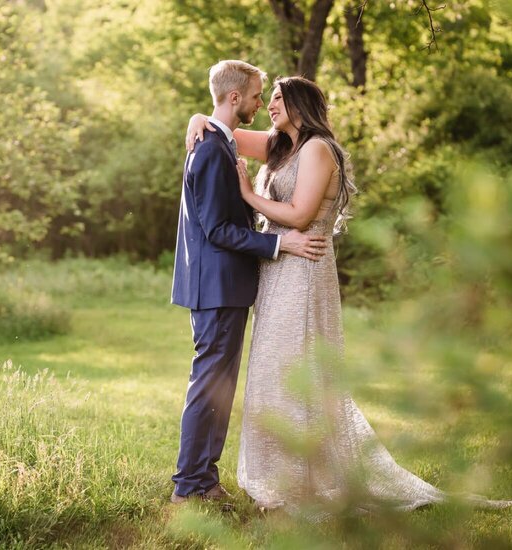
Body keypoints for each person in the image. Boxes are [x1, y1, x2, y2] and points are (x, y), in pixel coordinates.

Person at [184, 75, 512, 515]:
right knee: (272, 370)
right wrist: (195, 118)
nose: (269, 106)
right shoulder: (281, 146)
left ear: (300, 105)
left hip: (302, 269)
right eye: (267, 97)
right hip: (276, 272)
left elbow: (300, 214)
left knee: (299, 369)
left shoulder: (318, 149)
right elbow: (223, 127)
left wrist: (248, 194)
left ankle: (303, 482)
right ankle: (276, 477)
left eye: (278, 99)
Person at [168, 60, 328, 505]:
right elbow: (219, 230)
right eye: (259, 95)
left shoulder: (217, 141)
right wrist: (278, 246)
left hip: (223, 287)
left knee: (216, 384)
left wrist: (200, 115)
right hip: (218, 287)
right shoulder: (211, 150)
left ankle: (202, 479)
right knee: (209, 384)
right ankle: (191, 485)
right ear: (235, 97)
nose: (262, 102)